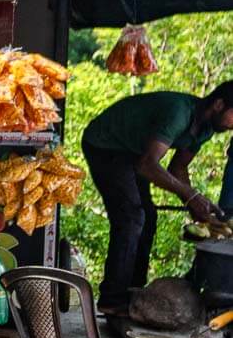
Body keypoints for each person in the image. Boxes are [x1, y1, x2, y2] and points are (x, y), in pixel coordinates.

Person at [81, 82, 233, 314]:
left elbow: (178, 168)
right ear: (219, 104)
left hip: (133, 151)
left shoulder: (205, 130)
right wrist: (190, 196)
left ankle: (133, 292)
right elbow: (147, 165)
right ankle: (113, 299)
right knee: (132, 217)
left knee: (148, 217)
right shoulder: (179, 112)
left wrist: (192, 201)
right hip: (105, 144)